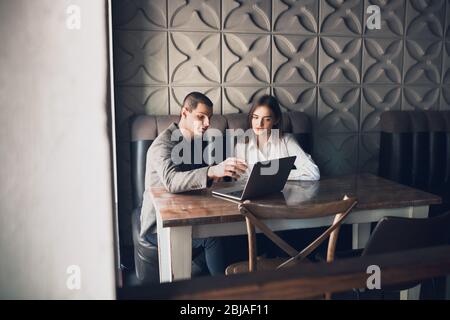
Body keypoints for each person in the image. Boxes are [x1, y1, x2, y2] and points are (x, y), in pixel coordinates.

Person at [140, 92, 247, 276]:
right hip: (158, 226)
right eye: (200, 117)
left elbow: (197, 179)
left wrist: (217, 176)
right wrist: (212, 171)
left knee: (238, 232)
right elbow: (172, 181)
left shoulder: (196, 143)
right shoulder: (162, 145)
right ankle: (222, 293)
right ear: (184, 113)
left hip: (188, 214)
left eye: (209, 118)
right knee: (212, 238)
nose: (207, 123)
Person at [235, 94, 320, 181]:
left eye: (266, 119)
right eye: (255, 117)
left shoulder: (286, 141)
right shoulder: (242, 143)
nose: (259, 124)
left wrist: (275, 174)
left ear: (276, 120)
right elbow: (241, 178)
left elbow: (313, 172)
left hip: (283, 192)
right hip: (252, 193)